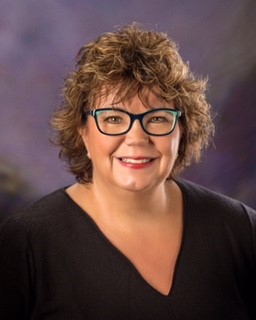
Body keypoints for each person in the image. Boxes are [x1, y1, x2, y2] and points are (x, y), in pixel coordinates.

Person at [0, 23, 255, 320]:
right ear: (83, 131)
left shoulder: (240, 231)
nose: (136, 138)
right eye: (113, 118)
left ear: (181, 130)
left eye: (157, 118)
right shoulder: (26, 244)